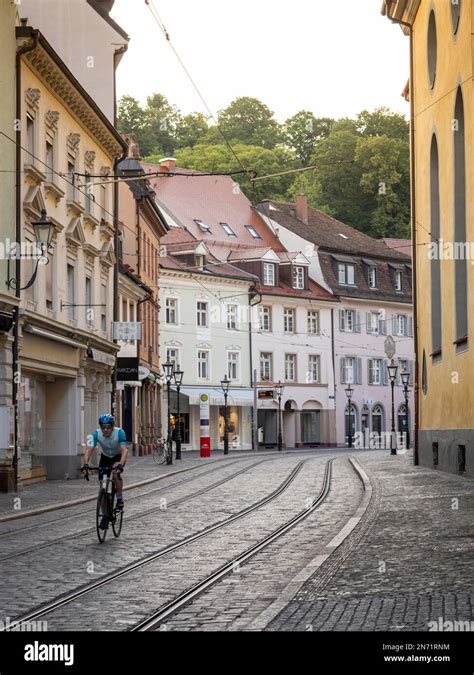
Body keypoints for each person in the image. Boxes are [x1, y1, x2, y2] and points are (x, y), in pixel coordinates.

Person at [81, 414, 128, 529]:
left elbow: (124, 450)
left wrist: (121, 465)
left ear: (112, 426)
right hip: (105, 458)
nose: (105, 429)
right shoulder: (96, 434)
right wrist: (86, 464)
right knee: (102, 485)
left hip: (117, 457)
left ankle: (120, 499)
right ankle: (105, 515)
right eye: (103, 427)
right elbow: (89, 449)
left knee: (115, 473)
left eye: (108, 427)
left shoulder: (120, 432)